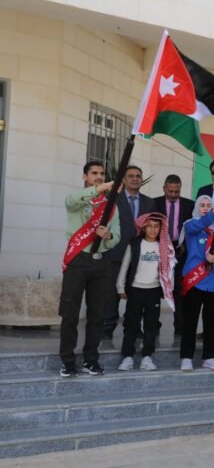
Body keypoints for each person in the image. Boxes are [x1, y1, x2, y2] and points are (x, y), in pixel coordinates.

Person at [59, 161, 121, 377]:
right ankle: (67, 361)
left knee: (97, 314)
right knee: (70, 314)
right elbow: (71, 200)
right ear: (85, 176)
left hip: (101, 261)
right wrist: (102, 189)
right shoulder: (78, 200)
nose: (99, 176)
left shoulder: (112, 205)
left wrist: (109, 236)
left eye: (102, 173)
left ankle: (91, 359)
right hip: (78, 260)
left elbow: (118, 235)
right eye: (94, 173)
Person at [116, 213, 176, 371]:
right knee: (130, 324)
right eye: (149, 226)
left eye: (156, 226)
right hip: (135, 289)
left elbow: (169, 269)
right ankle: (127, 356)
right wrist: (120, 286)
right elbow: (125, 265)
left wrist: (169, 288)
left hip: (154, 290)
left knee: (151, 325)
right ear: (143, 227)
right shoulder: (135, 244)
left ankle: (147, 356)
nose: (153, 230)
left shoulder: (163, 245)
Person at [179, 196, 214, 371]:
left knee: (210, 322)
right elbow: (200, 224)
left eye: (209, 205)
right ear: (196, 208)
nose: (206, 208)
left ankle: (208, 356)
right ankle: (186, 357)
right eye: (203, 205)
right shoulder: (190, 226)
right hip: (195, 280)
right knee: (190, 320)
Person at [105, 165, 156, 339]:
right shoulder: (113, 199)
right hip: (117, 252)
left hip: (140, 256)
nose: (135, 179)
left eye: (138, 176)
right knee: (113, 293)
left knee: (137, 293)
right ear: (124, 180)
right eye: (131, 176)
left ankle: (133, 326)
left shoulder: (150, 202)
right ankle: (108, 327)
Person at [153, 174, 194, 337]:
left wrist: (184, 245)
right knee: (156, 288)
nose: (173, 195)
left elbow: (192, 229)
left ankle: (180, 326)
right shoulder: (154, 203)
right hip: (159, 251)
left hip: (180, 251)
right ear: (164, 188)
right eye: (170, 191)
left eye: (176, 192)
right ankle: (153, 326)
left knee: (179, 289)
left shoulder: (189, 205)